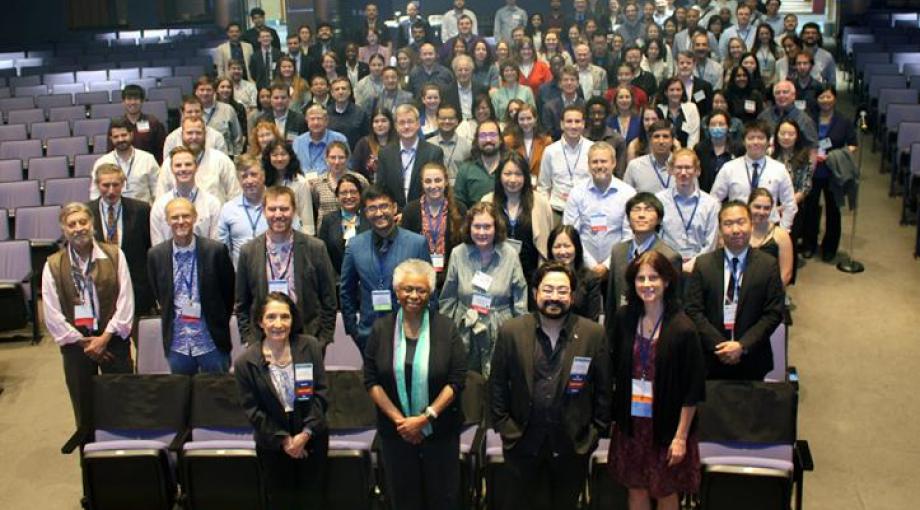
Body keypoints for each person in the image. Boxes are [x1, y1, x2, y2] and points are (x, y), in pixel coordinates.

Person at [490, 261, 612, 510]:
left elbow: (604, 389)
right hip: (522, 443)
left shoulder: (593, 334)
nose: (554, 297)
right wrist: (506, 427)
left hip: (572, 446)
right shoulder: (511, 331)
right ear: (535, 293)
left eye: (562, 291)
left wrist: (594, 433)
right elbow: (497, 385)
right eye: (547, 290)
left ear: (572, 295)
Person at [364, 259, 467, 510]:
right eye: (407, 289)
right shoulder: (381, 329)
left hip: (440, 431)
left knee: (442, 499)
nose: (414, 296)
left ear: (430, 293)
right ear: (396, 291)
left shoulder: (446, 328)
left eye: (421, 290)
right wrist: (402, 422)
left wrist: (425, 418)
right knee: (403, 499)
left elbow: (456, 380)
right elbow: (371, 380)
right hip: (396, 433)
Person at [607, 250, 705, 510]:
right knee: (636, 488)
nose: (647, 285)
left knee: (665, 490)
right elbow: (614, 365)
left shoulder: (683, 327)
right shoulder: (624, 318)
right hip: (633, 423)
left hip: (667, 426)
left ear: (667, 282)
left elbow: (692, 390)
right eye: (641, 279)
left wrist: (681, 437)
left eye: (654, 278)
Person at [42, 203, 134, 429]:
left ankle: (127, 459)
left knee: (122, 402)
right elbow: (52, 313)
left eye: (83, 222)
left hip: (113, 341)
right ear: (64, 229)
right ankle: (89, 460)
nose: (78, 228)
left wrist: (104, 338)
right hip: (76, 347)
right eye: (71, 224)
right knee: (84, 411)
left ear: (92, 224)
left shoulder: (114, 255)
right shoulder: (53, 265)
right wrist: (82, 341)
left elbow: (126, 301)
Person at [234, 292, 328, 510]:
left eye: (285, 317)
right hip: (273, 444)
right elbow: (252, 410)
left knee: (313, 501)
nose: (279, 324)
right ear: (260, 321)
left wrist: (304, 435)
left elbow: (321, 394)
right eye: (271, 317)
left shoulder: (310, 346)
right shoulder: (245, 362)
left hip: (312, 439)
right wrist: (286, 442)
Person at [685, 200, 785, 380]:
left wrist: (742, 346)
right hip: (711, 357)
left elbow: (774, 312)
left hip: (752, 357)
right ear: (720, 229)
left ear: (751, 224)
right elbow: (693, 310)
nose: (736, 230)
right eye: (728, 224)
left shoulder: (768, 265)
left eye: (741, 222)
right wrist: (720, 346)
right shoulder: (703, 264)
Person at [235, 186, 338, 348]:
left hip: (307, 338)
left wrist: (322, 340)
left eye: (284, 209)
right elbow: (241, 303)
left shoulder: (315, 248)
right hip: (262, 341)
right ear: (263, 211)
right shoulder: (249, 251)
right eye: (272, 209)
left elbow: (329, 300)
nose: (278, 215)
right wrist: (250, 339)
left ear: (294, 211)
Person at [147, 197, 235, 375]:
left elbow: (229, 294)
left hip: (211, 342)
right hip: (177, 344)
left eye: (186, 216)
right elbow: (159, 293)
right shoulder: (156, 255)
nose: (180, 221)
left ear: (195, 217)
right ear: (167, 221)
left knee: (218, 396)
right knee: (183, 399)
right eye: (175, 217)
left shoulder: (216, 251)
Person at [439, 202, 527, 376]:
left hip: (500, 327)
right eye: (477, 226)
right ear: (469, 227)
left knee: (497, 381)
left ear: (497, 228)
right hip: (465, 327)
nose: (481, 232)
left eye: (487, 226)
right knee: (466, 381)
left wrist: (521, 335)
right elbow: (448, 298)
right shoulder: (458, 253)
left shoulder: (510, 254)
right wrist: (445, 333)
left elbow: (520, 298)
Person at [341, 185, 432, 353]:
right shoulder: (355, 246)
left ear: (394, 208)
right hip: (368, 333)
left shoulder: (417, 243)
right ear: (365, 213)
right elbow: (347, 291)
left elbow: (429, 290)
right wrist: (353, 330)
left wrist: (428, 329)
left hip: (410, 333)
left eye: (384, 206)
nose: (379, 213)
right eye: (372, 208)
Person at [604, 192, 683, 329]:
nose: (641, 215)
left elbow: (673, 302)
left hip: (653, 327)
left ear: (659, 219)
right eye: (636, 209)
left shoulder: (669, 256)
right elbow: (611, 299)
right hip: (622, 327)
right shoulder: (618, 251)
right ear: (628, 219)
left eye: (648, 209)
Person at [90, 164, 154, 315]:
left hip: (135, 286)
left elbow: (149, 248)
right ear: (97, 185)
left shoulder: (141, 210)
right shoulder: (87, 212)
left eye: (116, 185)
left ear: (123, 184)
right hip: (100, 286)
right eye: (106, 185)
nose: (111, 190)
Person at [711, 120, 798, 230]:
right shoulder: (729, 168)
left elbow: (790, 204)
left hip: (769, 228)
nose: (756, 142)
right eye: (751, 138)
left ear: (768, 142)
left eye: (761, 138)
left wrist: (783, 229)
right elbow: (714, 200)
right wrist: (723, 224)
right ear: (744, 141)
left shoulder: (779, 169)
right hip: (737, 227)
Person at [802, 87, 857, 261]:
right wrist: (812, 154)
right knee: (810, 209)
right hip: (812, 170)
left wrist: (833, 156)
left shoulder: (844, 121)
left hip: (833, 171)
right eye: (821, 96)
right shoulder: (809, 119)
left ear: (834, 98)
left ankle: (829, 248)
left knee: (833, 210)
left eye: (828, 96)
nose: (825, 100)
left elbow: (853, 144)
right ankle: (809, 244)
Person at [482, 153, 554, 283]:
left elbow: (547, 244)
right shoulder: (487, 201)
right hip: (495, 273)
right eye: (507, 174)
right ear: (499, 176)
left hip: (531, 274)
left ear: (526, 176)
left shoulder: (541, 203)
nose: (513, 179)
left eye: (518, 174)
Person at [401, 163, 467, 289]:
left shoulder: (460, 209)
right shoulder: (410, 210)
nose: (433, 186)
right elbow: (406, 247)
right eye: (428, 181)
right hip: (419, 277)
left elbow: (463, 247)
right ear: (422, 183)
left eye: (438, 180)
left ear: (446, 181)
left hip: (452, 275)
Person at [656, 149, 721, 273]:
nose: (683, 172)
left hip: (701, 267)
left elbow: (711, 242)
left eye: (688, 168)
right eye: (679, 168)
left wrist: (695, 263)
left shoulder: (711, 204)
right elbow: (656, 237)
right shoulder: (659, 200)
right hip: (666, 266)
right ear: (671, 170)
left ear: (697, 171)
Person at [375, 104, 445, 210]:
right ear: (396, 126)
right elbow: (381, 187)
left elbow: (435, 188)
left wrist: (409, 213)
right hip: (393, 214)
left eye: (410, 122)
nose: (406, 126)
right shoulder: (385, 154)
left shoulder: (434, 152)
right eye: (402, 123)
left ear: (418, 124)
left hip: (424, 212)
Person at [157, 117, 240, 203]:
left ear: (205, 134)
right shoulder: (169, 163)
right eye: (189, 133)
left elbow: (235, 196)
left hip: (216, 215)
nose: (194, 137)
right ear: (182, 135)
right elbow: (161, 200)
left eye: (198, 133)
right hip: (179, 214)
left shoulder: (221, 160)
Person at [150, 146, 222, 245]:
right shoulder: (160, 206)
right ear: (171, 169)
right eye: (178, 165)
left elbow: (216, 245)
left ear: (196, 167)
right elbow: (158, 248)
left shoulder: (212, 204)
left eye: (188, 164)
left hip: (204, 259)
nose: (183, 169)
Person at [539, 106, 595, 217]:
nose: (573, 126)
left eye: (577, 121)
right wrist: (546, 212)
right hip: (557, 212)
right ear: (562, 124)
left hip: (585, 212)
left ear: (583, 124)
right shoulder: (550, 151)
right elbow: (544, 187)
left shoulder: (593, 149)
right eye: (569, 121)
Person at [217, 155, 272, 267]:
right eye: (244, 176)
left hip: (275, 273)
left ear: (263, 176)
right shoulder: (228, 209)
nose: (249, 180)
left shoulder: (278, 203)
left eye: (253, 174)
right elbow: (223, 249)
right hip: (241, 275)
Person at [90, 118, 159, 204]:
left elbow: (157, 191)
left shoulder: (147, 159)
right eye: (116, 137)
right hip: (114, 212)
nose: (120, 139)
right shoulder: (102, 162)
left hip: (143, 212)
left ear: (131, 135)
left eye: (124, 135)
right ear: (111, 138)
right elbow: (95, 195)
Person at [772, 119, 813, 248]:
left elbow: (805, 187)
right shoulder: (770, 155)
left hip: (794, 206)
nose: (786, 137)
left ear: (797, 136)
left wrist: (787, 205)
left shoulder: (804, 156)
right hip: (770, 208)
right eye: (783, 133)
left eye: (791, 134)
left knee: (788, 245)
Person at [262, 139, 317, 235]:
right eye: (275, 155)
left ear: (290, 156)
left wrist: (307, 243)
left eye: (283, 154)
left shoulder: (300, 183)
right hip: (268, 234)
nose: (279, 159)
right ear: (268, 158)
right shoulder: (263, 181)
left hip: (294, 235)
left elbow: (307, 219)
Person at [546, 224, 601, 321]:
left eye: (567, 246)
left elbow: (593, 318)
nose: (562, 252)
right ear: (550, 250)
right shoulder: (543, 277)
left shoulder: (591, 279)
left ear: (577, 248)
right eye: (557, 246)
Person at [310, 141, 370, 230]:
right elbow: (316, 205)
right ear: (326, 159)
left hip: (354, 231)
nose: (337, 162)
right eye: (332, 157)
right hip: (326, 233)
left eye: (341, 157)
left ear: (347, 159)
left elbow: (367, 203)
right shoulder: (318, 183)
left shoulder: (360, 180)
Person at [318, 174, 368, 277]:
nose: (349, 196)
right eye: (343, 193)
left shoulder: (370, 218)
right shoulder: (328, 220)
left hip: (367, 278)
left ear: (360, 194)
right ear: (337, 196)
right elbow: (323, 255)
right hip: (338, 281)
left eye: (353, 192)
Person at [454, 120, 506, 208]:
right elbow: (458, 204)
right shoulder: (466, 170)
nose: (488, 139)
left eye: (492, 135)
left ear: (500, 139)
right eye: (483, 136)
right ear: (477, 141)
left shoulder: (511, 167)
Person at [748, 189, 794, 287]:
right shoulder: (740, 232)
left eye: (766, 208)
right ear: (748, 206)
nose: (761, 212)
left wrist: (771, 295)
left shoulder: (781, 236)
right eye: (757, 207)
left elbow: (786, 274)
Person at [757, 80, 818, 148]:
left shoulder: (804, 120)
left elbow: (813, 146)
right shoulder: (764, 116)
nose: (781, 95)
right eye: (777, 93)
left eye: (785, 92)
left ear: (793, 96)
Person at [695, 109, 744, 193]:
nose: (717, 127)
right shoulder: (700, 149)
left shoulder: (738, 149)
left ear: (728, 127)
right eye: (713, 125)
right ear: (708, 127)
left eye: (721, 124)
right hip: (705, 194)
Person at [292, 104, 348, 175]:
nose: (316, 123)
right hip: (303, 183)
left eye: (319, 118)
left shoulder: (339, 139)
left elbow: (347, 166)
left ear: (326, 121)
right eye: (312, 119)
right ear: (307, 121)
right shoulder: (298, 142)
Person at [624, 120, 677, 194]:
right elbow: (626, 197)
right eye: (656, 136)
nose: (661, 141)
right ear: (650, 140)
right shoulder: (635, 166)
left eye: (665, 136)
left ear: (672, 141)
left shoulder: (683, 166)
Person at [195, 75, 244, 155]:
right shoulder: (190, 112)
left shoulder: (228, 110)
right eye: (202, 90)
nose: (205, 93)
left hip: (225, 157)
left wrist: (235, 156)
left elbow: (237, 137)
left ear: (214, 91)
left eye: (208, 90)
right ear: (196, 92)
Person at [118, 84, 167, 164]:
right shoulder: (117, 125)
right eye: (129, 99)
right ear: (123, 101)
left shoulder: (153, 123)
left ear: (142, 101)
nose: (133, 102)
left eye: (136, 99)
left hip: (149, 168)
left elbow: (162, 149)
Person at [503, 103, 552, 179]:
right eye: (522, 119)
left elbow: (550, 167)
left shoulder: (546, 141)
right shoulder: (508, 141)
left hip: (540, 185)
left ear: (535, 119)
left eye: (529, 118)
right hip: (516, 183)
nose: (525, 123)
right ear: (517, 121)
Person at [429, 103, 473, 183]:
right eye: (443, 118)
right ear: (437, 120)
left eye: (451, 118)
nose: (447, 121)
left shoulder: (467, 146)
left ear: (457, 121)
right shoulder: (428, 145)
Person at [351, 108, 396, 182]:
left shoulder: (398, 143)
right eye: (376, 121)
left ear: (391, 123)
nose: (380, 124)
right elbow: (355, 172)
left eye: (384, 121)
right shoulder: (363, 144)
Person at [540, 66, 585, 140]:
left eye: (572, 80)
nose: (569, 83)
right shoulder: (549, 108)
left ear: (577, 84)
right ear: (560, 84)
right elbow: (548, 132)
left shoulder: (585, 106)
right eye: (565, 80)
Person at [656, 78, 701, 150]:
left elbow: (694, 135)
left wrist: (687, 154)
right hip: (664, 152)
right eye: (672, 90)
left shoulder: (691, 108)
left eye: (678, 90)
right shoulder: (659, 109)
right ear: (665, 92)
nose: (675, 93)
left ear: (683, 91)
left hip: (687, 153)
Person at [326, 77, 369, 146]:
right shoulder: (325, 113)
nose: (340, 92)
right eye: (337, 89)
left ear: (349, 92)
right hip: (331, 154)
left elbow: (367, 138)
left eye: (344, 88)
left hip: (355, 154)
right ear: (332, 93)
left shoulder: (361, 113)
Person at [216, 76, 249, 148]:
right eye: (222, 87)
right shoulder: (213, 108)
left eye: (228, 87)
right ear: (217, 90)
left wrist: (238, 149)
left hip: (236, 148)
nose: (226, 89)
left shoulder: (239, 108)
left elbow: (244, 132)